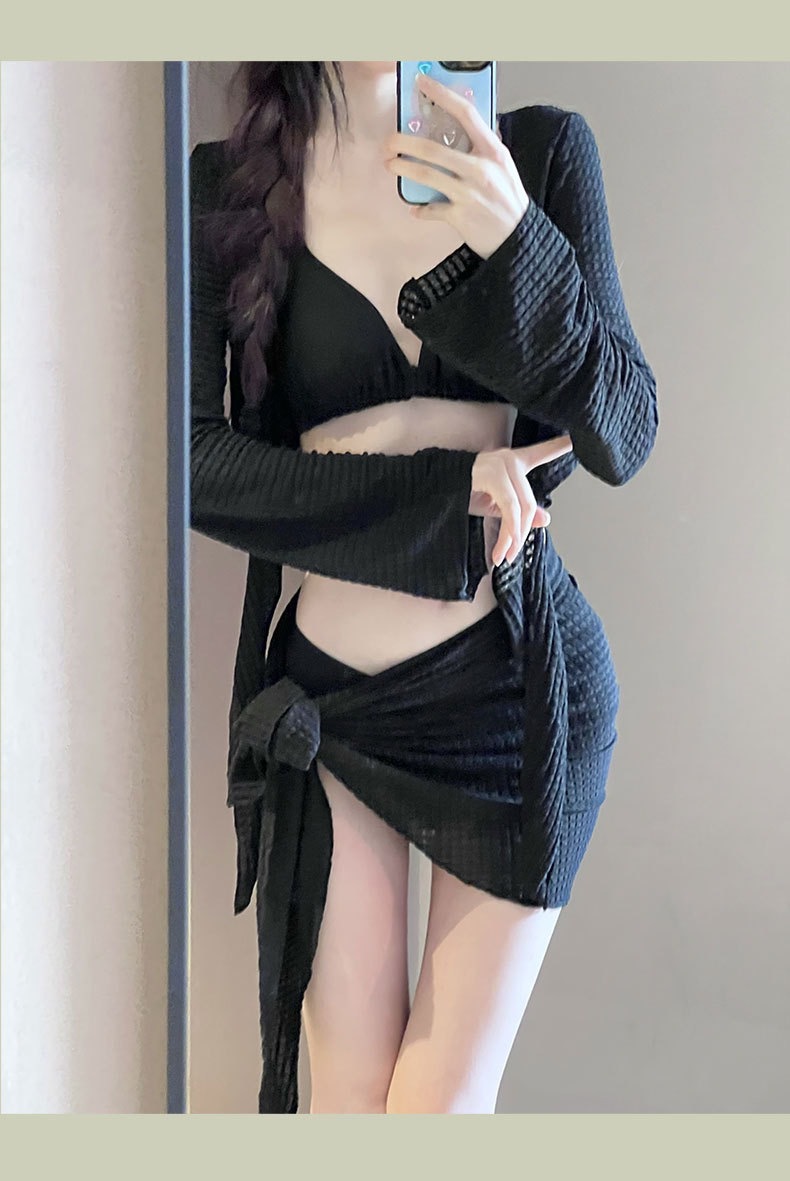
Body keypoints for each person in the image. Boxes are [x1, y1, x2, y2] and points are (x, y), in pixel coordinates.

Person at [189, 61, 659, 1115]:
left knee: (435, 1117)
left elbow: (624, 429)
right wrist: (446, 496)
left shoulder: (540, 154)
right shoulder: (227, 186)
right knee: (352, 1108)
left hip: (513, 698)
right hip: (333, 709)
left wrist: (519, 242)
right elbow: (197, 465)